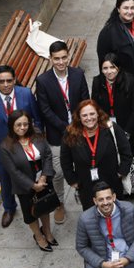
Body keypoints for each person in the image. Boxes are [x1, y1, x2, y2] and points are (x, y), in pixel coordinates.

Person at [0, 65, 44, 228]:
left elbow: (37, 118)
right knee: (5, 182)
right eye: (1, 81)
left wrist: (39, 140)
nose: (6, 84)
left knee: (30, 179)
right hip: (2, 151)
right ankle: (9, 208)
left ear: (14, 80)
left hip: (26, 147)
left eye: (9, 80)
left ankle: (36, 204)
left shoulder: (25, 94)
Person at [0, 110, 57, 251]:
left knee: (45, 207)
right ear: (11, 125)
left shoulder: (37, 134)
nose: (22, 127)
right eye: (18, 125)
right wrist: (33, 185)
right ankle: (39, 236)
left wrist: (44, 176)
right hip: (24, 186)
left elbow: (47, 155)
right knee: (30, 214)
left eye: (25, 124)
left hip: (43, 179)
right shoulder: (5, 146)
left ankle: (47, 231)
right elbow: (13, 171)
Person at [62, 99, 132, 210]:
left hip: (111, 182)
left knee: (115, 213)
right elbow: (65, 159)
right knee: (91, 216)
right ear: (79, 117)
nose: (89, 118)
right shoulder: (71, 133)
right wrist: (72, 180)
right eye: (84, 115)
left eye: (92, 114)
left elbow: (126, 151)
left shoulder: (111, 128)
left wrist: (121, 172)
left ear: (98, 114)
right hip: (86, 185)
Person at [35, 40, 90, 172]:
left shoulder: (78, 74)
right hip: (57, 133)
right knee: (59, 172)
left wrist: (77, 124)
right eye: (56, 58)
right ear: (50, 59)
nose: (61, 62)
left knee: (82, 166)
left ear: (68, 56)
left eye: (64, 57)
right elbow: (45, 110)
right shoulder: (42, 81)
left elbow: (85, 101)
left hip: (80, 128)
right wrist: (65, 128)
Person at [92, 54, 134, 156]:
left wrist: (127, 132)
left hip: (127, 126)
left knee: (129, 155)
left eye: (112, 67)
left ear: (118, 68)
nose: (109, 71)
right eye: (105, 68)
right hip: (106, 126)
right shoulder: (97, 82)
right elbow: (95, 107)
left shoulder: (130, 81)